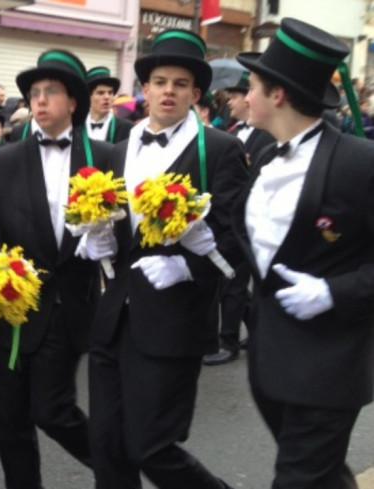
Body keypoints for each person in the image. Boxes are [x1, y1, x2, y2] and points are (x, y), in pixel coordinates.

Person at [82, 29, 247, 489]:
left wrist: (187, 266)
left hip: (175, 320)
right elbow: (116, 226)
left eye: (180, 84)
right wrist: (97, 242)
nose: (168, 91)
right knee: (107, 446)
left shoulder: (219, 149)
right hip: (114, 316)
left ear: (195, 94)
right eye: (159, 82)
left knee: (151, 447)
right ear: (145, 89)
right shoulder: (118, 150)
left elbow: (236, 237)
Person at [0, 49, 109, 489]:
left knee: (52, 410)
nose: (40, 100)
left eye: (51, 91)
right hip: (11, 305)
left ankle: (114, 465)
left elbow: (126, 226)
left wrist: (108, 237)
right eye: (34, 92)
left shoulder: (105, 155)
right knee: (10, 420)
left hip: (68, 305)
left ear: (73, 101)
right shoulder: (5, 159)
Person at [234, 18, 374, 488]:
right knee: (324, 478)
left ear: (277, 95)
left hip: (329, 367)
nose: (244, 97)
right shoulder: (267, 156)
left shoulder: (359, 162)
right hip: (271, 364)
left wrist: (335, 292)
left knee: (298, 480)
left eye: (251, 87)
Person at [203, 70, 276, 367]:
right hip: (227, 215)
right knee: (230, 281)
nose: (231, 102)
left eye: (235, 96)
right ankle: (255, 328)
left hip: (251, 220)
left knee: (233, 283)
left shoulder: (267, 137)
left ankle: (228, 342)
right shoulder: (232, 133)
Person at [85, 67, 134, 143]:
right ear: (88, 97)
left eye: (110, 93)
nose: (107, 97)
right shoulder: (77, 127)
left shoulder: (126, 127)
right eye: (100, 93)